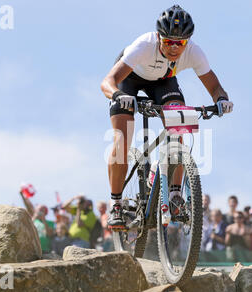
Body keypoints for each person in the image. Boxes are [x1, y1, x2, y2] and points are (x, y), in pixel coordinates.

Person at [100, 5, 234, 229]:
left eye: (180, 43)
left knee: (179, 125)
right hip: (129, 80)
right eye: (169, 42)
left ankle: (174, 195)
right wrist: (118, 95)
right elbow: (107, 81)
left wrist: (221, 100)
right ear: (159, 38)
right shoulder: (144, 45)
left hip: (163, 81)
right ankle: (115, 203)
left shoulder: (194, 52)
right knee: (122, 139)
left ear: (187, 41)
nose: (174, 48)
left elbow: (215, 87)